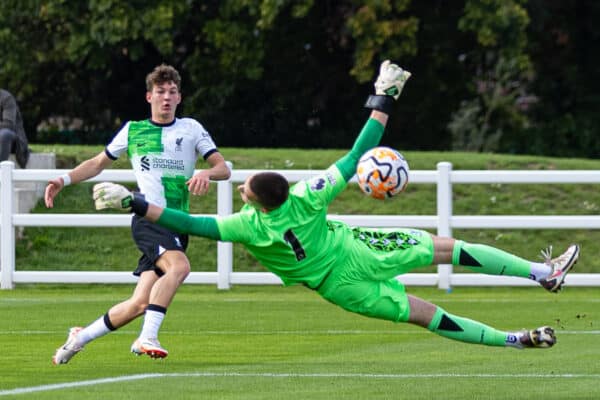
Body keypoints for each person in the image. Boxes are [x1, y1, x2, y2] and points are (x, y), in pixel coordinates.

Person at [93, 60, 580, 351]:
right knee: (447, 249)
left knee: (425, 314)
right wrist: (384, 95)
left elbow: (185, 221)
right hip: (359, 250)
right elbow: (358, 150)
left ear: (256, 202)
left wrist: (133, 203)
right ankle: (542, 274)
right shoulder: (307, 195)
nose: (239, 190)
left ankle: (514, 340)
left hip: (338, 286)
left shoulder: (245, 227)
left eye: (243, 190)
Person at [46, 64, 231, 364]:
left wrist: (207, 174)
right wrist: (63, 180)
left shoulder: (192, 129)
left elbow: (224, 167)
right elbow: (97, 163)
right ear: (149, 97)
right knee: (180, 268)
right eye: (160, 92)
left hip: (177, 223)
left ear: (179, 97)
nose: (166, 98)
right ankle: (147, 338)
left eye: (172, 92)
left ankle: (78, 337)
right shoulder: (134, 130)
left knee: (140, 302)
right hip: (148, 218)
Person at [0, 88, 30, 168]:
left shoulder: (6, 98)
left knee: (4, 134)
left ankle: (1, 171)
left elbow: (8, 124)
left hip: (13, 139)